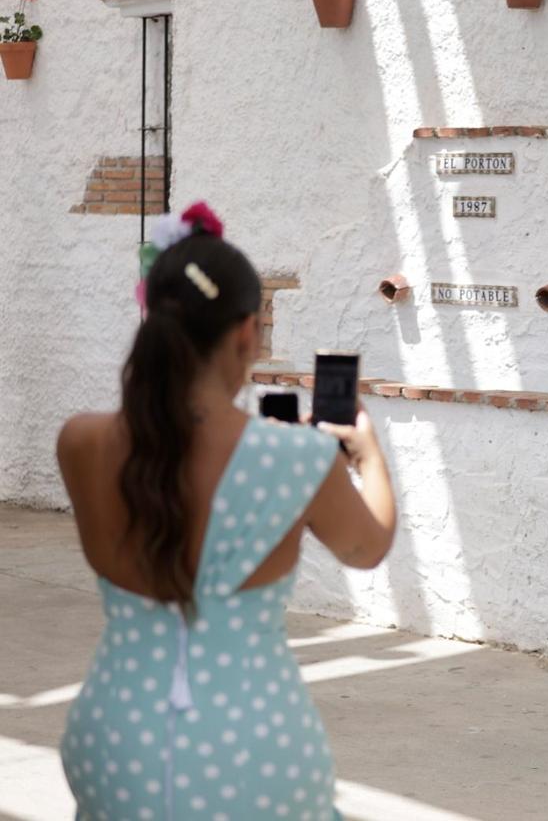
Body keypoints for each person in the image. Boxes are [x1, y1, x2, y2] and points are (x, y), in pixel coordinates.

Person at [56, 202, 396, 819]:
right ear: (247, 334)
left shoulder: (80, 442)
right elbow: (366, 547)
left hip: (113, 734)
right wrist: (368, 456)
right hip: (254, 745)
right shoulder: (297, 458)